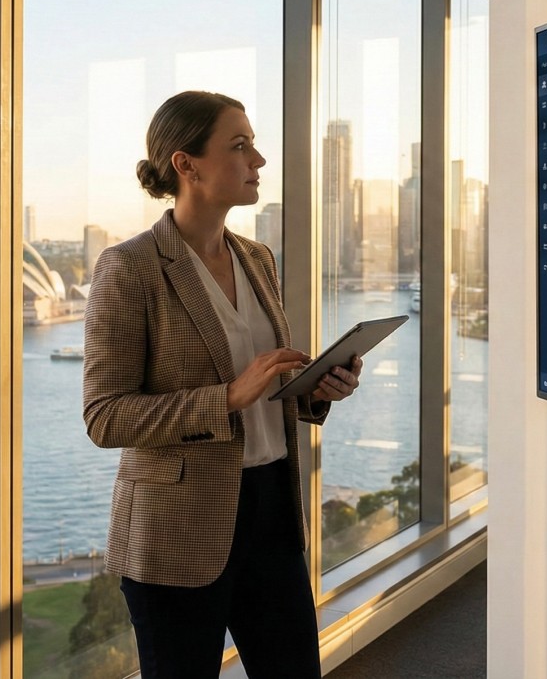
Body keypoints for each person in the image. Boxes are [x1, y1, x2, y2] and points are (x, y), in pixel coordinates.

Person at [83, 90, 363, 678]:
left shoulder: (258, 258)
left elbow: (265, 388)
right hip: (175, 528)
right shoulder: (129, 268)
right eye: (240, 146)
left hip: (272, 514)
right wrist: (228, 398)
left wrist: (313, 391)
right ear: (185, 165)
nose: (258, 161)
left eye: (254, 145)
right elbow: (105, 416)